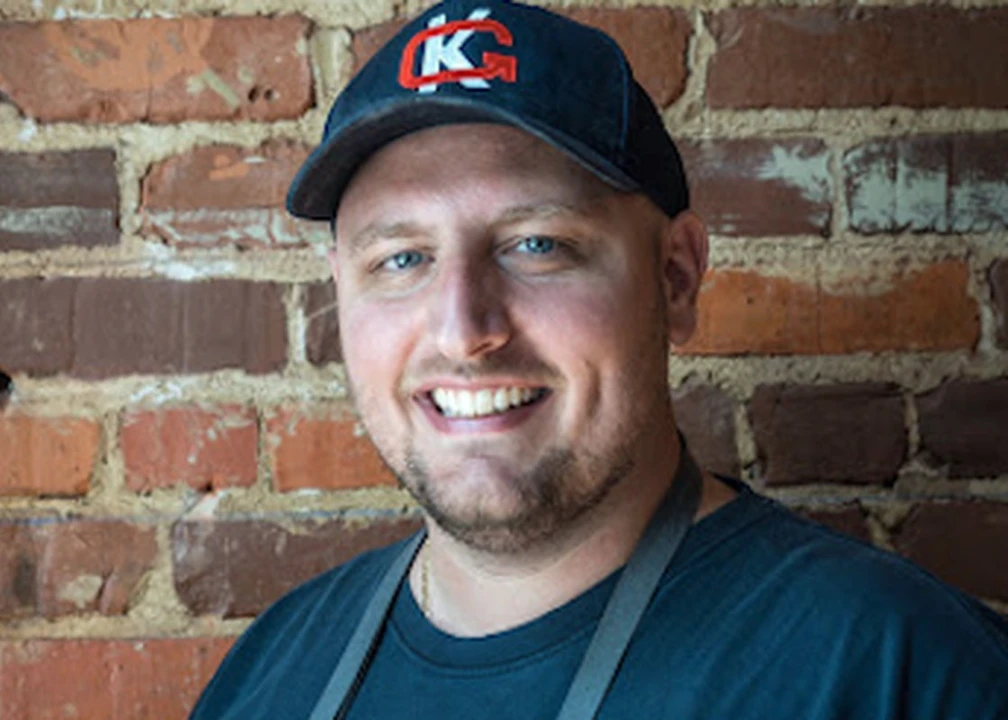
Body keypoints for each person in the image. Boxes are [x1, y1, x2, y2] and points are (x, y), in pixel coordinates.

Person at [191, 1, 1008, 717]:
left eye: (536, 244)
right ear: (341, 291)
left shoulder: (903, 674)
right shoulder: (271, 673)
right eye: (401, 259)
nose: (463, 331)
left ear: (675, 278)